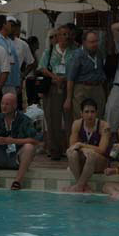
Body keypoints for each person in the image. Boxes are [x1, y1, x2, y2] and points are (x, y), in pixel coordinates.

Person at [0, 93, 39, 191]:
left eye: (7, 104)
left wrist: (14, 141)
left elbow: (34, 140)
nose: (4, 106)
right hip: (0, 155)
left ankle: (17, 181)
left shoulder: (24, 119)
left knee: (29, 147)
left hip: (16, 157)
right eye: (2, 104)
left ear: (15, 105)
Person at [38, 25, 74, 160]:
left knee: (70, 118)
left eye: (67, 34)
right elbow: (42, 67)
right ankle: (55, 150)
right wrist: (55, 77)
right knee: (53, 119)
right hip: (53, 87)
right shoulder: (49, 51)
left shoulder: (74, 51)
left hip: (69, 86)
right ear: (57, 36)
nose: (65, 37)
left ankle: (71, 148)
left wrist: (65, 78)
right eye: (62, 34)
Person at [64, 99, 110, 193]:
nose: (90, 115)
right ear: (81, 113)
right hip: (84, 160)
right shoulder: (77, 124)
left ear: (96, 113)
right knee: (70, 153)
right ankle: (82, 186)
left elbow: (102, 150)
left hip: (100, 162)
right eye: (87, 112)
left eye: (92, 112)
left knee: (91, 154)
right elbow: (72, 146)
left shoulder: (104, 126)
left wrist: (82, 145)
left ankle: (78, 187)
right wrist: (83, 149)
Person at [65, 31, 107, 121]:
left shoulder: (99, 53)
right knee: (81, 118)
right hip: (82, 89)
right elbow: (70, 78)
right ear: (84, 42)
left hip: (97, 88)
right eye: (92, 42)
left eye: (96, 41)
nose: (95, 44)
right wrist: (68, 99)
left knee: (98, 117)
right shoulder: (77, 55)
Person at [0, 15, 20, 96]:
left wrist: (17, 82)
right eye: (9, 23)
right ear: (4, 25)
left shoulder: (9, 41)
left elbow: (15, 62)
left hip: (12, 82)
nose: (11, 25)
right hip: (1, 83)